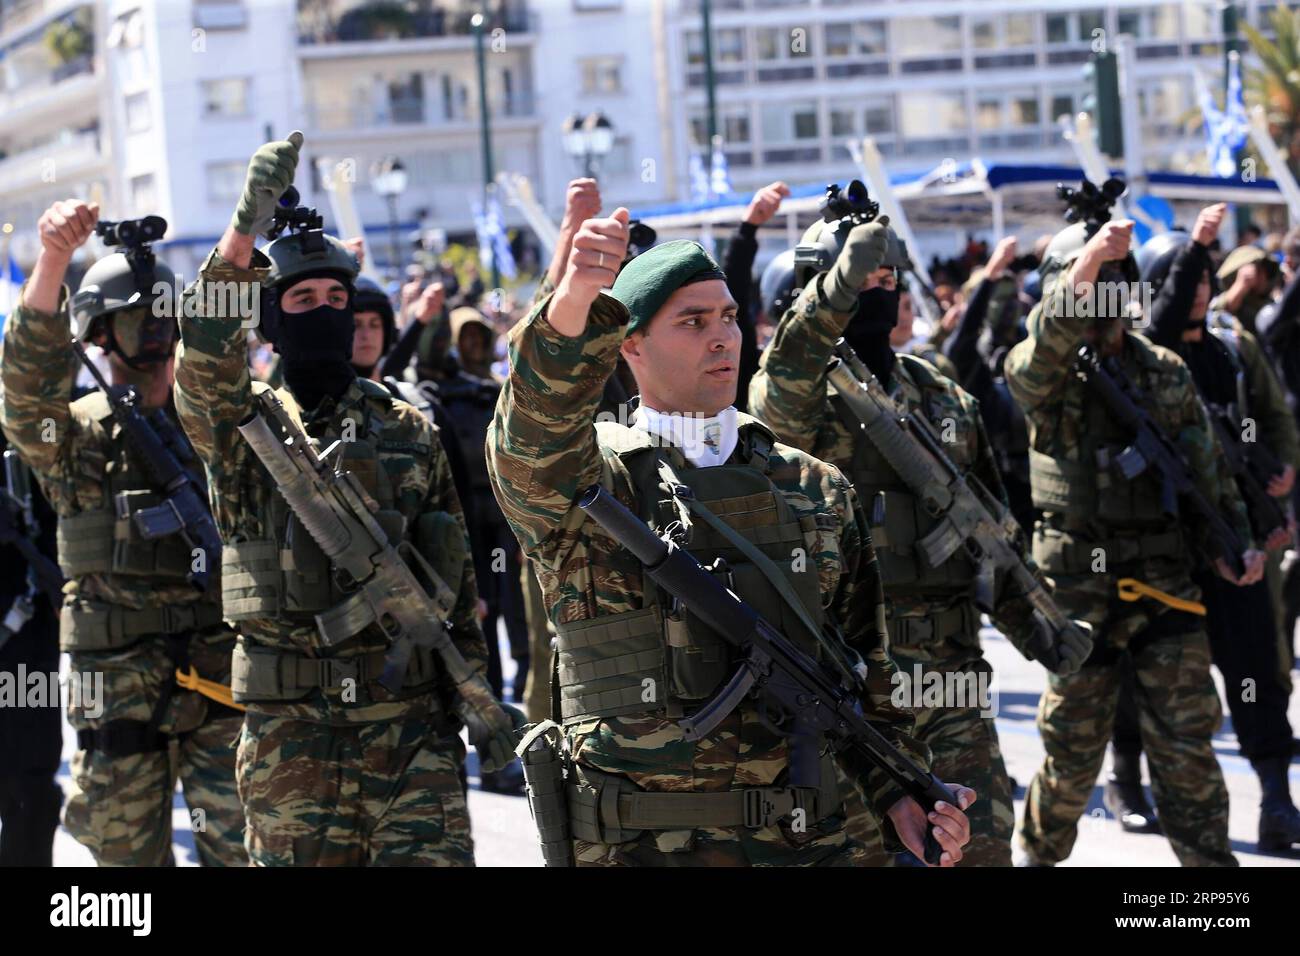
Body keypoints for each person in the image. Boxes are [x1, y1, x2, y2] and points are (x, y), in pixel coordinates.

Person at [488, 205, 975, 867]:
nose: (723, 339)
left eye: (728, 318)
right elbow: (531, 435)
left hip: (803, 844)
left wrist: (901, 793)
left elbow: (863, 668)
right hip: (640, 849)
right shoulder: (593, 488)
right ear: (628, 344)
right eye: (692, 322)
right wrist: (575, 303)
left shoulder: (814, 487)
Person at [173, 132, 505, 865]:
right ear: (274, 316)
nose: (326, 312)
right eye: (303, 298)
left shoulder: (406, 427)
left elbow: (456, 584)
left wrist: (476, 708)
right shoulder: (241, 428)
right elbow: (202, 353)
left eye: (337, 298)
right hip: (294, 740)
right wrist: (244, 227)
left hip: (412, 732)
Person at [749, 206, 1088, 866]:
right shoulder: (798, 399)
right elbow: (782, 384)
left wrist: (1044, 626)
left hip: (952, 679)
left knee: (981, 850)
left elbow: (990, 535)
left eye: (887, 276)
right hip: (852, 691)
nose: (878, 288)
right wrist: (836, 289)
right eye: (856, 280)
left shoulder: (941, 398)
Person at [1006, 202, 1262, 867]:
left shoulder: (1164, 372)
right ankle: (1035, 859)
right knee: (1070, 756)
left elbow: (1209, 474)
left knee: (1188, 751)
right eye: (1091, 280)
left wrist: (1236, 542)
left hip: (1164, 590)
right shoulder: (1044, 373)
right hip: (1080, 596)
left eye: (1114, 278)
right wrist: (1088, 262)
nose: (1105, 293)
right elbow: (1042, 353)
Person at [1, 198, 247, 866]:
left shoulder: (221, 420)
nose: (155, 330)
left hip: (223, 677)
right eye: (138, 316)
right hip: (119, 691)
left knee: (244, 849)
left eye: (163, 314)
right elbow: (24, 394)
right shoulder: (75, 434)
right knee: (123, 871)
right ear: (98, 332)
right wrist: (53, 258)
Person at [1131, 203, 1300, 852]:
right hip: (1170, 556)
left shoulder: (1232, 348)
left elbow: (1272, 416)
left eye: (1205, 275)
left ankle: (1277, 800)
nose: (1201, 287)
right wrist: (1194, 245)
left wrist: (1279, 480)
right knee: (1159, 687)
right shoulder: (1146, 357)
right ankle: (1130, 783)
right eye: (1187, 277)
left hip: (1240, 543)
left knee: (1259, 670)